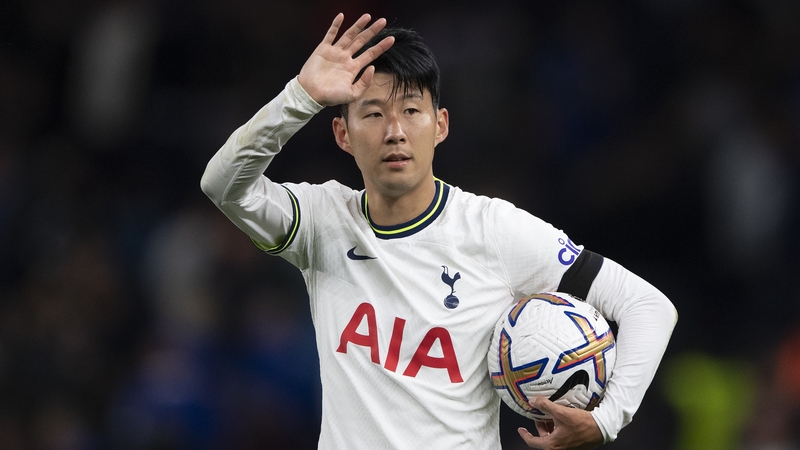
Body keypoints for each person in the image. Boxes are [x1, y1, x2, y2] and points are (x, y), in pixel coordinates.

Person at [201, 13, 677, 450]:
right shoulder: (322, 222)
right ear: (343, 135)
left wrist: (607, 419)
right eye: (373, 113)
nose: (395, 131)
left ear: (440, 125)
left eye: (411, 111)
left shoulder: (493, 230)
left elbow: (647, 306)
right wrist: (300, 97)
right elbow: (222, 185)